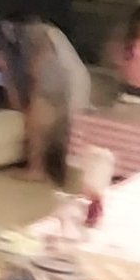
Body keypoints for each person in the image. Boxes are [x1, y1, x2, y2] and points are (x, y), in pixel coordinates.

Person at [20, 16, 92, 182]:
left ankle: (36, 169)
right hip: (77, 81)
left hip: (62, 83)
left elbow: (40, 65)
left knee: (37, 124)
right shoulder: (56, 34)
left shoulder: (32, 31)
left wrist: (34, 90)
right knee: (68, 132)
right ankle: (65, 174)